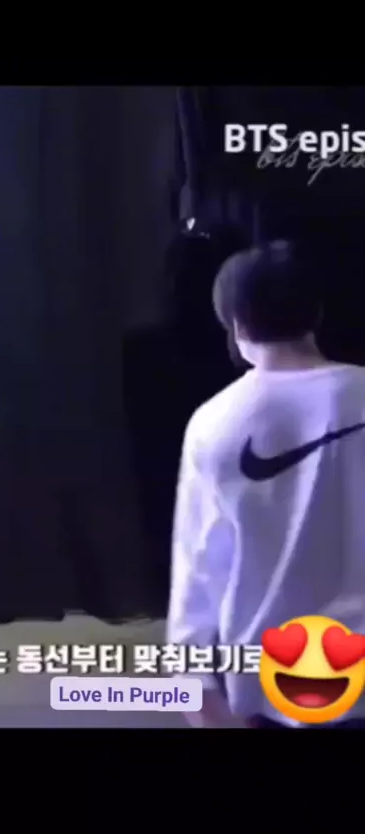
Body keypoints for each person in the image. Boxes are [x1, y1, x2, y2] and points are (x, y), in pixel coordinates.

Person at [167, 240, 365, 729]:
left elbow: (198, 576)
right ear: (316, 313)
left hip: (273, 691)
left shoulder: (214, 424)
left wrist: (200, 700)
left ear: (235, 325)